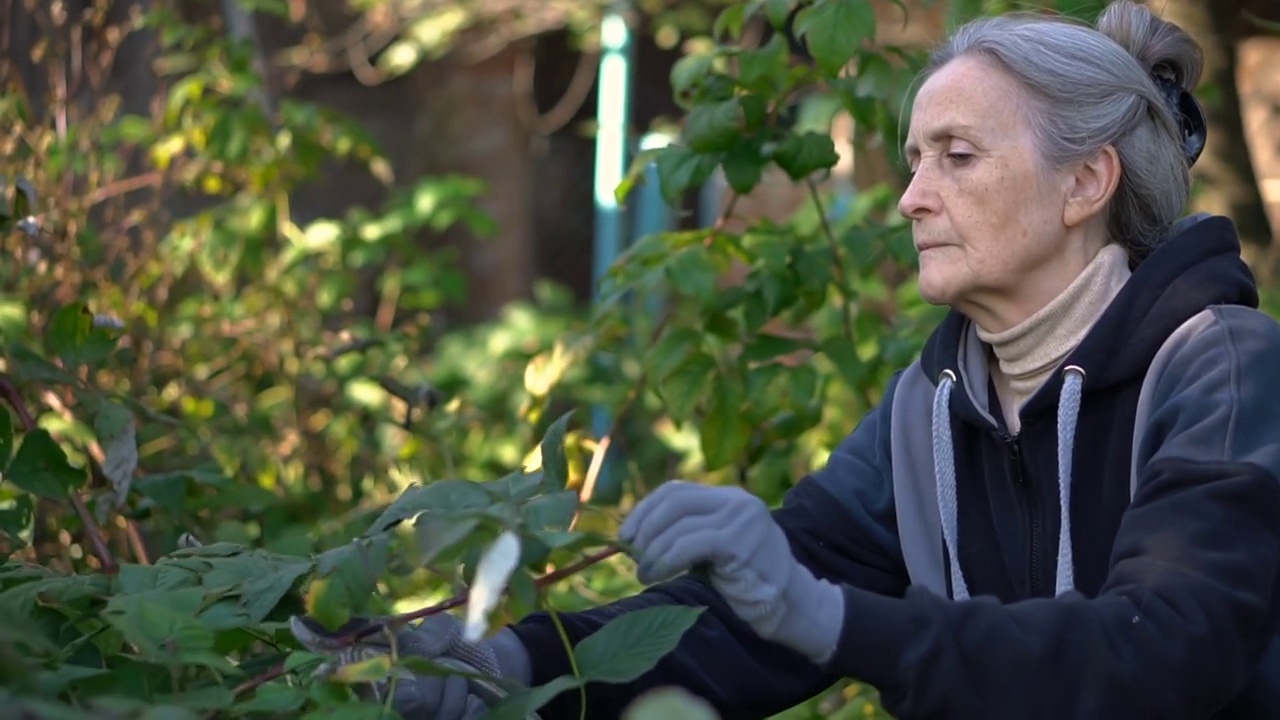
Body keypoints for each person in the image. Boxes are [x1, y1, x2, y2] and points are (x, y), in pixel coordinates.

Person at [296, 2, 1280, 717]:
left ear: (1082, 182)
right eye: (910, 158)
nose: (909, 198)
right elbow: (753, 616)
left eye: (957, 156)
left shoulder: (1216, 367)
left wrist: (835, 620)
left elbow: (1166, 653)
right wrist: (501, 663)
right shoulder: (930, 405)